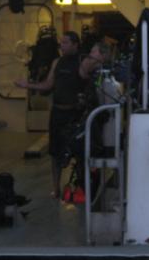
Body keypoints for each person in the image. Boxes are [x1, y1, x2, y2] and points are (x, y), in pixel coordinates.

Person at [15, 31, 97, 199]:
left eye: (66, 43)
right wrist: (28, 85)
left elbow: (99, 69)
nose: (62, 46)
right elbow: (47, 85)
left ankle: (83, 186)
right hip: (58, 113)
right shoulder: (57, 62)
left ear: (75, 44)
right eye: (61, 42)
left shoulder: (83, 62)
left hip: (75, 114)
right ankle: (56, 188)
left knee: (80, 152)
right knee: (55, 153)